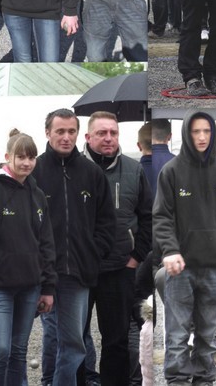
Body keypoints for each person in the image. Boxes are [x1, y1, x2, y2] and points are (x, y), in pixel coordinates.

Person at [153, 111, 216, 385]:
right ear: (186, 133)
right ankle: (178, 381)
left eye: (206, 131)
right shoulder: (171, 171)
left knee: (208, 337)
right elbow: (161, 217)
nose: (202, 137)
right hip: (180, 270)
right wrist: (170, 250)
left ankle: (205, 380)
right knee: (178, 336)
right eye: (196, 131)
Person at [32, 108, 115, 385]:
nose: (66, 137)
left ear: (78, 134)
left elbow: (106, 222)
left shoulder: (92, 173)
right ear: (48, 133)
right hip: (41, 273)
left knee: (74, 343)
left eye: (71, 132)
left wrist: (94, 252)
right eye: (60, 131)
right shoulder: (35, 171)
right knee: (47, 337)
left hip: (77, 274)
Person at [80, 112, 151, 384]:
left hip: (120, 268)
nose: (108, 138)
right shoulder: (74, 169)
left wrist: (136, 256)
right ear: (88, 137)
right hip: (81, 270)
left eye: (113, 132)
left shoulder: (134, 170)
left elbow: (148, 217)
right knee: (75, 339)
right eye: (101, 133)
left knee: (117, 342)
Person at [0, 130, 56, 385]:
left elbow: (46, 243)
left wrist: (48, 287)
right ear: (7, 157)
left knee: (18, 351)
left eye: (31, 157)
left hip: (30, 287)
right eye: (21, 157)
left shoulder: (37, 194)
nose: (26, 162)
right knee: (0, 349)